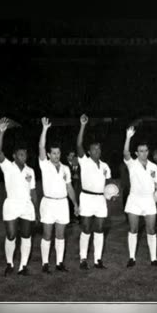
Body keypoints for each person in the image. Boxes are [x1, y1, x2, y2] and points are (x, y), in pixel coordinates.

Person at [0, 117, 38, 276]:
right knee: (11, 235)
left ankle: (23, 266)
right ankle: (10, 263)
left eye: (25, 154)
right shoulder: (8, 167)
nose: (23, 156)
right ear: (14, 156)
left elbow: (33, 192)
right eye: (20, 154)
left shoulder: (30, 171)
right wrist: (1, 132)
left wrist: (36, 210)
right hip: (11, 204)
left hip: (27, 205)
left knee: (26, 235)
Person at [38, 117, 79, 273]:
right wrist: (44, 129)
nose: (56, 155)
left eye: (58, 153)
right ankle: (45, 263)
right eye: (53, 153)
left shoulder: (65, 169)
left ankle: (59, 263)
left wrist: (75, 204)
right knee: (47, 234)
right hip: (48, 203)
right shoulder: (44, 165)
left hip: (62, 204)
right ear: (49, 155)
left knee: (61, 235)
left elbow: (69, 188)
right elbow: (41, 146)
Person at [76, 114, 115, 269]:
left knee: (99, 229)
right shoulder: (84, 161)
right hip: (86, 198)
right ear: (89, 151)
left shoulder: (105, 166)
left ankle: (98, 260)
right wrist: (83, 125)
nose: (97, 151)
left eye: (99, 148)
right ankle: (83, 259)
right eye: (94, 149)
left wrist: (112, 194)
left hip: (100, 200)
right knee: (86, 228)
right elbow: (79, 144)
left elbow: (108, 185)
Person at [123, 125, 157, 267]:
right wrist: (128, 137)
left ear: (148, 152)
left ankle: (154, 259)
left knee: (151, 230)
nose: (144, 153)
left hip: (149, 200)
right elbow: (125, 153)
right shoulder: (132, 164)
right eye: (141, 151)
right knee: (133, 229)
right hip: (134, 200)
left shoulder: (154, 167)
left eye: (145, 151)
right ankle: (131, 258)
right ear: (136, 153)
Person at [66, 150, 80, 222]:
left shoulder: (77, 164)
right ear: (67, 156)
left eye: (74, 156)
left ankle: (77, 217)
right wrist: (72, 177)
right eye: (71, 156)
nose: (73, 157)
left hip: (77, 188)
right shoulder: (64, 166)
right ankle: (70, 218)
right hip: (68, 188)